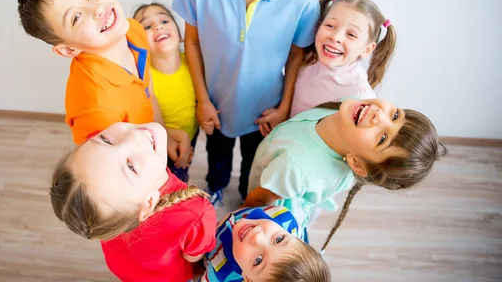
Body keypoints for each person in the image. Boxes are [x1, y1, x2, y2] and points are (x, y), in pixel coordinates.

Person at [172, 0, 320, 204]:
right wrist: (202, 101)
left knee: (255, 166)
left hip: (265, 111)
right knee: (218, 157)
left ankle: (245, 199)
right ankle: (215, 187)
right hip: (216, 104)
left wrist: (283, 107)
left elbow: (297, 58)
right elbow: (192, 44)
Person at [17, 0, 190, 159]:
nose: (97, 9)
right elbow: (109, 173)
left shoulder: (134, 30)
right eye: (76, 17)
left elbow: (147, 91)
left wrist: (164, 136)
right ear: (68, 50)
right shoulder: (96, 108)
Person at [245, 98, 447, 253]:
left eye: (383, 138)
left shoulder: (294, 167)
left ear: (357, 164)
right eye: (395, 115)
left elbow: (259, 200)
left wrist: (242, 216)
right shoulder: (352, 110)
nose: (379, 115)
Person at [50, 121, 216, 282]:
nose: (134, 136)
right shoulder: (197, 214)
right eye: (131, 167)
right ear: (148, 203)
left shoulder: (101, 206)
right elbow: (193, 258)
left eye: (106, 140)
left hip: (125, 271)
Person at [290, 0, 397, 117]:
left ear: (367, 49)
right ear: (318, 26)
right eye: (330, 26)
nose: (336, 37)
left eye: (351, 35)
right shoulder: (306, 58)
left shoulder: (360, 96)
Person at [134, 2, 199, 182]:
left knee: (179, 179)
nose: (158, 26)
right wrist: (170, 137)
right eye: (147, 26)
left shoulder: (192, 63)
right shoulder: (144, 74)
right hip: (157, 141)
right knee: (157, 183)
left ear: (180, 34)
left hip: (189, 136)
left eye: (164, 20)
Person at [199, 206, 330, 282]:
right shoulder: (286, 219)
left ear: (248, 278)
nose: (257, 237)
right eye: (279, 240)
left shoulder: (218, 273)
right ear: (298, 239)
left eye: (258, 260)